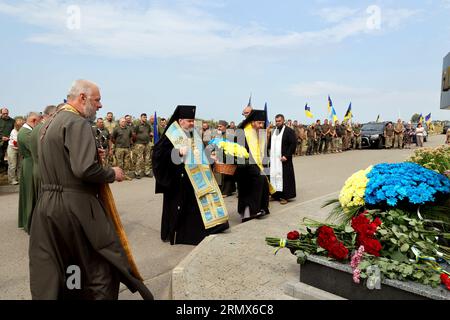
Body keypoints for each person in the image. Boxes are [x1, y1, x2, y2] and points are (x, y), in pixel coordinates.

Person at [29, 79, 153, 300]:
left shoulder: (49, 123)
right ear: (82, 98)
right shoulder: (77, 123)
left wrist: (92, 156)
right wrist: (111, 173)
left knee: (66, 267)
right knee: (100, 269)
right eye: (97, 100)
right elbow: (84, 170)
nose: (101, 106)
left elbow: (64, 161)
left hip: (48, 205)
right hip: (75, 206)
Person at [153, 105, 229, 245]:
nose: (192, 123)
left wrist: (210, 158)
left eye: (193, 121)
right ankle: (179, 235)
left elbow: (198, 152)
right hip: (177, 179)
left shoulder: (194, 133)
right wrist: (177, 153)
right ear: (180, 120)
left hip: (194, 179)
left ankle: (200, 231)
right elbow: (158, 155)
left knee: (195, 208)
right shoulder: (171, 134)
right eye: (189, 121)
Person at [235, 109, 273, 222]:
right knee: (247, 192)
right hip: (245, 167)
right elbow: (239, 151)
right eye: (259, 123)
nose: (261, 126)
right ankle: (247, 215)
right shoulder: (242, 132)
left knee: (262, 182)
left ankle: (259, 209)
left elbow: (264, 150)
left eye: (262, 123)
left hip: (258, 166)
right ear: (252, 122)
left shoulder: (260, 132)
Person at [29, 105, 57, 210]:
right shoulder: (44, 128)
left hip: (38, 167)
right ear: (50, 115)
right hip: (43, 168)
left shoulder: (38, 128)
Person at [17, 112, 41, 234]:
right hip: (30, 163)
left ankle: (28, 222)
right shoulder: (26, 133)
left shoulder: (24, 131)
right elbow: (35, 149)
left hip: (29, 162)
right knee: (31, 194)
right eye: (39, 122)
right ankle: (30, 223)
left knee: (29, 194)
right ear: (33, 120)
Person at [269, 114, 297, 205]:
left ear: (283, 121)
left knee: (285, 178)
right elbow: (270, 144)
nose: (277, 123)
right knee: (274, 176)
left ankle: (285, 196)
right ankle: (275, 195)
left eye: (279, 121)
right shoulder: (274, 131)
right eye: (276, 121)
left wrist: (286, 156)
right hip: (274, 160)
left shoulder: (289, 131)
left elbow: (293, 144)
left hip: (284, 159)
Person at [211, 120, 236, 197]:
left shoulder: (229, 136)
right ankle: (231, 189)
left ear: (225, 127)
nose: (219, 128)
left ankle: (226, 192)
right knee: (223, 174)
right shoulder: (218, 135)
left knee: (227, 174)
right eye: (218, 126)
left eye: (220, 126)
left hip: (228, 156)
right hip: (220, 156)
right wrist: (213, 151)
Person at [133, 113, 152, 179]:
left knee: (147, 158)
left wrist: (150, 135)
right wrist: (137, 141)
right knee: (139, 158)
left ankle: (147, 172)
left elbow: (149, 133)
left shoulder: (148, 125)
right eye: (144, 117)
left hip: (147, 143)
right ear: (141, 118)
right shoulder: (137, 125)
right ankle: (137, 173)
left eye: (146, 117)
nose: (145, 118)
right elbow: (134, 134)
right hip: (139, 144)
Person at [7, 118, 25, 185]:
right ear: (17, 125)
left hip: (19, 149)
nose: (22, 125)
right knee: (13, 165)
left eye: (22, 124)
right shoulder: (14, 131)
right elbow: (16, 143)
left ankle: (20, 178)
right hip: (12, 149)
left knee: (20, 165)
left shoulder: (22, 130)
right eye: (20, 124)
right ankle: (12, 180)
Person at [0, 107, 16, 172]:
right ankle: (1, 167)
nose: (5, 115)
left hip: (9, 141)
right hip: (0, 141)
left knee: (10, 156)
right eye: (4, 113)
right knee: (1, 155)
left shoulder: (12, 121)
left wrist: (10, 137)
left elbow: (14, 130)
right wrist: (1, 137)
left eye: (7, 113)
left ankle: (8, 169)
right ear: (1, 113)